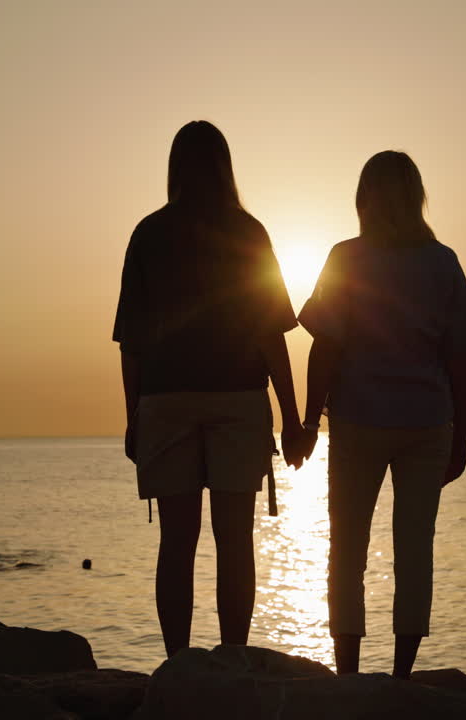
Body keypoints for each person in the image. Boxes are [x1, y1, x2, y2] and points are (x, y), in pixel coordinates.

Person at [113, 121, 306, 658]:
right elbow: (271, 334)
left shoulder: (148, 234)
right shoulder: (249, 233)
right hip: (238, 397)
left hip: (166, 399)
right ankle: (232, 662)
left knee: (176, 542)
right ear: (226, 168)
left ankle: (177, 665)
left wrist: (133, 418)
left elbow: (131, 342)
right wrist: (291, 418)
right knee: (234, 541)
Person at [296, 150, 466, 678]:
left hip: (358, 421)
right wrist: (461, 435)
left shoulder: (346, 257)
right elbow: (458, 357)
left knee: (346, 549)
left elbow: (324, 346)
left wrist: (310, 423)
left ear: (365, 198)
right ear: (416, 197)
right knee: (415, 551)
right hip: (427, 424)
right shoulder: (442, 262)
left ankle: (347, 676)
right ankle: (401, 678)